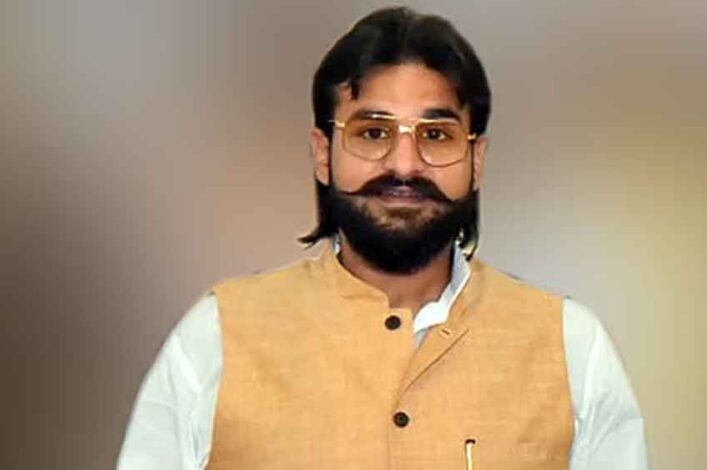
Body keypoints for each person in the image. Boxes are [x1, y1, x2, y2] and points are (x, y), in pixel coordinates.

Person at [117, 7, 649, 470]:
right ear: (323, 153)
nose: (404, 165)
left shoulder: (570, 347)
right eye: (373, 133)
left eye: (436, 135)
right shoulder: (217, 338)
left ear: (476, 159)